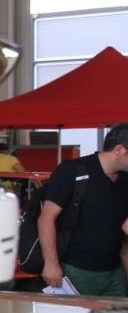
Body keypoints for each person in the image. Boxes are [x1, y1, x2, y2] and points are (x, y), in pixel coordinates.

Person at [37, 123, 128, 297]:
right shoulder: (72, 171)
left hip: (114, 273)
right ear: (119, 150)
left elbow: (123, 225)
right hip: (76, 271)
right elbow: (46, 218)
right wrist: (51, 264)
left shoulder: (124, 181)